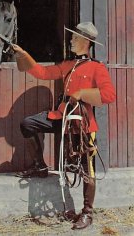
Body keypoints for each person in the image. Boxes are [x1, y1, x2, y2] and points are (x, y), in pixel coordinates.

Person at [12, 22, 116, 230]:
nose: (70, 41)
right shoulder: (68, 64)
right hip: (61, 117)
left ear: (86, 42)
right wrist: (24, 54)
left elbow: (109, 95)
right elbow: (42, 72)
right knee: (28, 124)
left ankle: (87, 213)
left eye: (74, 38)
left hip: (82, 125)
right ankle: (40, 166)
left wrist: (81, 94)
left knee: (88, 170)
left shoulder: (97, 67)